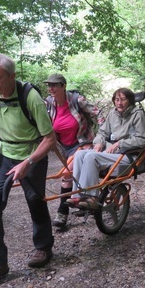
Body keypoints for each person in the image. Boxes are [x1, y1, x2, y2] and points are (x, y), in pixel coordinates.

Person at [0, 54, 56, 286]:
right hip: (4, 155)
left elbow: (49, 139)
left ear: (12, 76)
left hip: (31, 154)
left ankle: (43, 247)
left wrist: (28, 163)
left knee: (35, 199)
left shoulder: (31, 97)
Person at [69, 88, 145, 210]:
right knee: (80, 154)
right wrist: (99, 142)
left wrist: (120, 143)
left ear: (130, 101)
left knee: (91, 157)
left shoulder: (137, 114)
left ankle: (92, 198)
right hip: (110, 152)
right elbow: (102, 132)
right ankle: (78, 196)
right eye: (117, 100)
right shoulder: (113, 113)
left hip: (128, 155)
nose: (119, 103)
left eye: (123, 99)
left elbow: (142, 139)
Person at [44, 73, 98, 231]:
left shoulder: (76, 100)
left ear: (63, 86)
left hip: (83, 142)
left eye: (54, 85)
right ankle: (86, 199)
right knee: (72, 174)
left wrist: (105, 133)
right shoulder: (48, 103)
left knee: (66, 174)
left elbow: (97, 112)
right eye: (49, 85)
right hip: (64, 146)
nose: (51, 88)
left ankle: (62, 212)